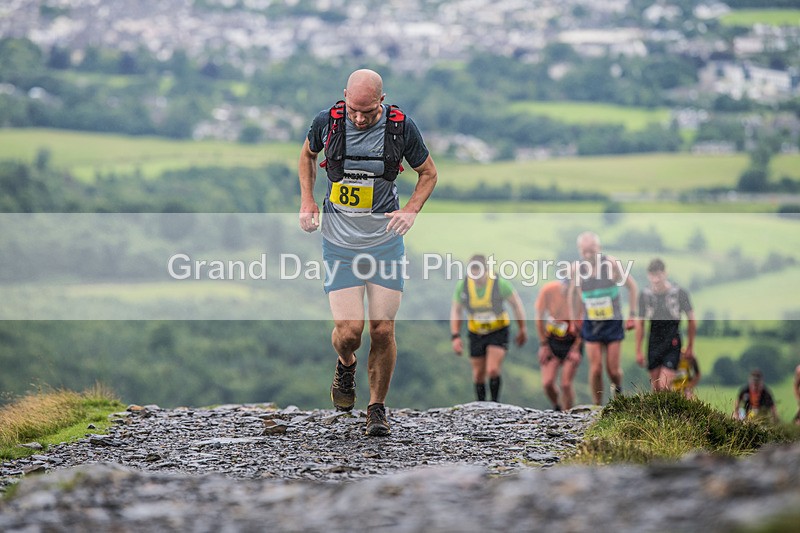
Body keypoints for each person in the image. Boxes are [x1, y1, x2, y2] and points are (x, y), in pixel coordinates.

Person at [298, 69, 438, 436]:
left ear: (382, 99)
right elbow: (307, 156)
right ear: (344, 95)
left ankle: (376, 408)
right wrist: (307, 201)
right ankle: (346, 364)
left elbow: (428, 173)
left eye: (367, 111)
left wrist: (410, 210)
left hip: (384, 244)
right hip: (339, 244)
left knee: (382, 329)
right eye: (353, 109)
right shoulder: (326, 122)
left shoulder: (401, 128)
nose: (359, 118)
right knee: (349, 332)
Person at [567, 231, 637, 405]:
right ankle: (597, 407)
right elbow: (573, 294)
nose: (588, 254)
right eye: (584, 251)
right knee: (596, 368)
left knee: (612, 370)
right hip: (591, 324)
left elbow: (632, 287)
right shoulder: (578, 269)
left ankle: (618, 389)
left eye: (591, 250)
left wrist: (632, 315)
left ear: (599, 248)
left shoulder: (611, 264)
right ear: (579, 251)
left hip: (613, 323)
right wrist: (573, 318)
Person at [450, 254, 528, 402]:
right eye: (472, 272)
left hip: (497, 330)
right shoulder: (463, 285)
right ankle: (481, 405)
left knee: (492, 369)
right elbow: (456, 310)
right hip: (476, 332)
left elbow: (516, 305)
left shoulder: (500, 284)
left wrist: (522, 328)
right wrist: (455, 335)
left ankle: (494, 403)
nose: (475, 276)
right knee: (478, 374)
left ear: (486, 270)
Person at [634, 258, 697, 392]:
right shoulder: (645, 295)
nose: (656, 280)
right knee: (655, 387)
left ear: (665, 274)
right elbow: (640, 323)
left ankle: (671, 410)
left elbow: (692, 319)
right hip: (653, 342)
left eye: (659, 275)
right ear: (648, 276)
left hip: (672, 341)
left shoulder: (679, 293)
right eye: (652, 275)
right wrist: (638, 350)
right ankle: (658, 413)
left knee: (664, 385)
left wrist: (691, 346)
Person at [535, 274, 582, 411]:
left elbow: (584, 325)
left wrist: (576, 348)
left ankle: (569, 416)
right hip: (552, 340)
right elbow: (539, 317)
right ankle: (557, 407)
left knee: (566, 384)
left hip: (572, 341)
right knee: (547, 383)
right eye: (566, 286)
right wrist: (543, 344)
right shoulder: (548, 290)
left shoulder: (580, 297)